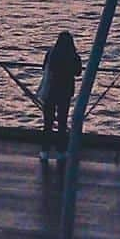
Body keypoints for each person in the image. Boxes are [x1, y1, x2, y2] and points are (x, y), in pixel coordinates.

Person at [39, 31, 82, 162]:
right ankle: (61, 151)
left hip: (51, 90)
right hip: (65, 91)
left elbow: (44, 68)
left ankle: (45, 150)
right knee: (62, 122)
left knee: (48, 122)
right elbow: (78, 72)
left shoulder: (51, 53)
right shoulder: (73, 56)